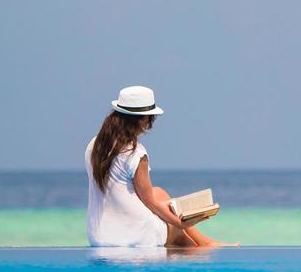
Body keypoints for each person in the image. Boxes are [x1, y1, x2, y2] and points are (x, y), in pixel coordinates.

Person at [84, 85, 233, 248]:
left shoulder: (94, 146)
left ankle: (204, 242)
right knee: (176, 231)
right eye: (151, 118)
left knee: (159, 193)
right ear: (142, 119)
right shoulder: (135, 153)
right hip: (135, 236)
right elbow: (150, 203)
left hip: (99, 236)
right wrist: (180, 223)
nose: (151, 124)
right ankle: (204, 247)